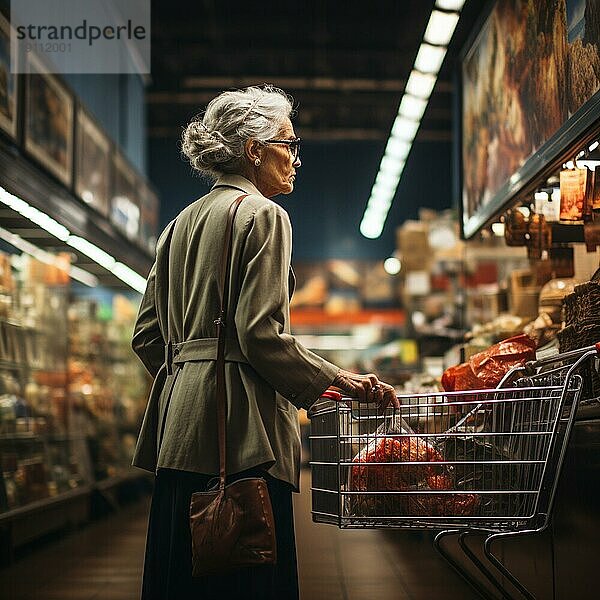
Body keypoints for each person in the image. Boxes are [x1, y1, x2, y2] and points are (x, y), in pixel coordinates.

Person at [131, 85, 399, 600]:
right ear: (255, 150)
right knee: (248, 578)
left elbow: (146, 336)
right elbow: (260, 336)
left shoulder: (175, 228)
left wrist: (190, 380)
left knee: (180, 578)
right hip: (242, 435)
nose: (295, 158)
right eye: (288, 144)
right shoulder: (264, 216)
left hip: (177, 435)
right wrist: (339, 380)